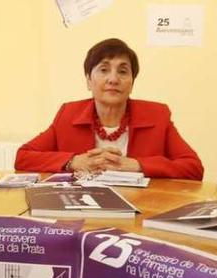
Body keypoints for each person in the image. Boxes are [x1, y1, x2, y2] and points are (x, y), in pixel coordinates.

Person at [15, 38, 203, 180]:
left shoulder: (157, 116)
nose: (113, 79)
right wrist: (74, 162)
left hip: (141, 207)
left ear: (132, 83)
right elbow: (23, 157)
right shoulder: (68, 114)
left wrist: (137, 165)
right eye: (104, 70)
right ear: (89, 80)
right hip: (81, 207)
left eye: (122, 71)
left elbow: (193, 168)